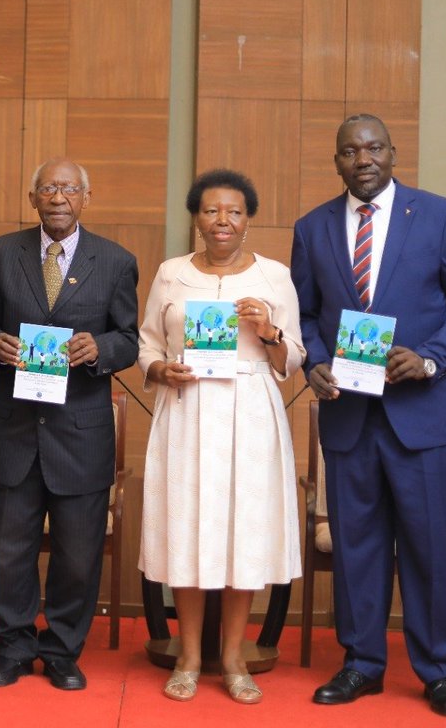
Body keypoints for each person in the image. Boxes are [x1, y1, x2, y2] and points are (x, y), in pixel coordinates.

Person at [291, 115, 446, 718]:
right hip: (350, 416)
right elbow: (304, 313)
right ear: (337, 161)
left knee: (432, 544)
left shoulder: (439, 216)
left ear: (393, 153)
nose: (364, 158)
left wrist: (431, 358)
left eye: (374, 147)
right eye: (351, 150)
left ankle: (437, 671)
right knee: (358, 544)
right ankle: (361, 664)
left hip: (425, 415)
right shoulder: (311, 228)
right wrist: (316, 363)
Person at [0, 157, 138, 690]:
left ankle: (63, 650)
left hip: (81, 433)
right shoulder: (1, 253)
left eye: (68, 188)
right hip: (15, 429)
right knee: (12, 549)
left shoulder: (115, 261)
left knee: (77, 554)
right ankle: (14, 648)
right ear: (33, 198)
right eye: (48, 188)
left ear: (86, 198)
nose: (58, 197)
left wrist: (101, 347)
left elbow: (131, 340)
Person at [138, 169, 303, 705]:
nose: (222, 221)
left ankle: (233, 657)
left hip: (250, 413)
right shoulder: (170, 273)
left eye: (233, 211)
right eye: (211, 211)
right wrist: (161, 370)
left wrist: (269, 331)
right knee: (185, 529)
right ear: (197, 219)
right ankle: (188, 655)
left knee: (242, 531)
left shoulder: (275, 276)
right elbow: (146, 345)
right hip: (187, 409)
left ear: (248, 219)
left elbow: (294, 359)